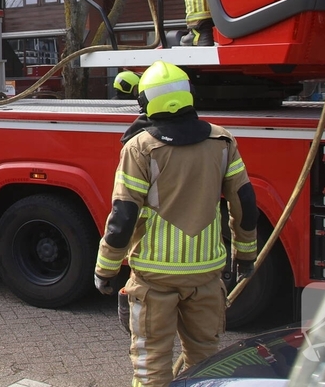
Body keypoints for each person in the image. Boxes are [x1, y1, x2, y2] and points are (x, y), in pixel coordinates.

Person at [94, 60, 258, 387]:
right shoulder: (222, 141)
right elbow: (245, 204)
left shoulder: (140, 148)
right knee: (207, 362)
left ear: (145, 103)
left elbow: (123, 216)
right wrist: (245, 256)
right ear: (190, 95)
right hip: (206, 274)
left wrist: (105, 269)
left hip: (154, 278)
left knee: (151, 363)